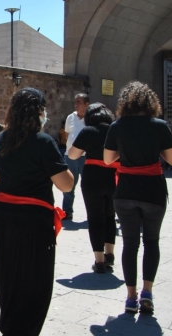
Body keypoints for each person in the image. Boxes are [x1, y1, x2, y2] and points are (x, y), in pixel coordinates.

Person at [0, 87, 73, 335]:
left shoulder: (2, 139)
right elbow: (65, 184)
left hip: (3, 217)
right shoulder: (43, 142)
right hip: (33, 221)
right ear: (38, 112)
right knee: (36, 282)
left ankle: (11, 326)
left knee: (9, 277)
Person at [103, 81, 172, 314]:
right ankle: (147, 292)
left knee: (130, 244)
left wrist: (127, 154)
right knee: (152, 242)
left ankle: (130, 296)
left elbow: (107, 159)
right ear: (150, 102)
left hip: (125, 189)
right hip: (153, 189)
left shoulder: (117, 126)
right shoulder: (159, 125)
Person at [68, 103, 118, 273]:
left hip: (92, 178)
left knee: (95, 218)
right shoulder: (115, 130)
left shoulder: (88, 131)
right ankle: (110, 253)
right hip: (114, 177)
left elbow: (73, 155)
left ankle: (99, 260)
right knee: (110, 216)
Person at [63, 93, 90, 221]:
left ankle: (91, 212)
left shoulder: (91, 118)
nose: (76, 104)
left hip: (86, 157)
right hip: (70, 156)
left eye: (79, 102)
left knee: (88, 186)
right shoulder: (70, 117)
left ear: (87, 104)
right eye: (75, 102)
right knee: (69, 185)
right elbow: (67, 135)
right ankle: (67, 211)